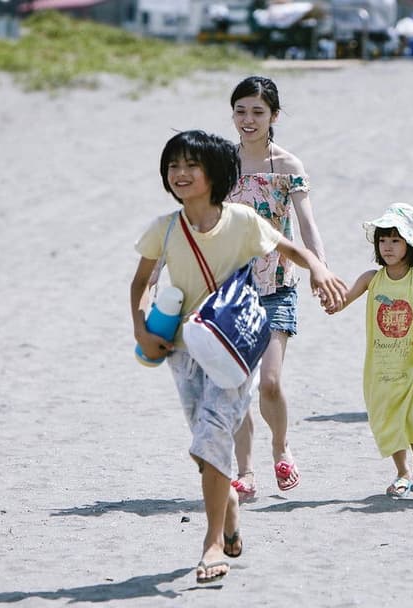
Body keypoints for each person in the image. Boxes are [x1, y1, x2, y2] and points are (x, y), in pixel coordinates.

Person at [129, 130, 345, 584]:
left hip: (230, 352)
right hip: (182, 352)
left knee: (211, 441)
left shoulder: (243, 221)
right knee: (206, 450)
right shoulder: (165, 227)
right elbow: (142, 281)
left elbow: (291, 249)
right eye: (174, 166)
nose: (181, 174)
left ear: (215, 173)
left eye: (191, 165)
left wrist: (320, 268)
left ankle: (210, 545)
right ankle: (227, 508)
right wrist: (142, 327)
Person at [226, 76, 330, 501]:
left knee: (269, 382)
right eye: (241, 111)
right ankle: (246, 471)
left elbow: (307, 225)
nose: (248, 120)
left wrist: (320, 271)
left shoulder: (287, 166)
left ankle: (280, 445)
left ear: (274, 116)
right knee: (234, 385)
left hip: (278, 286)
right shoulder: (221, 163)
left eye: (258, 112)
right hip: (230, 291)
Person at [328, 203, 413, 498]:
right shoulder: (371, 279)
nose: (388, 247)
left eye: (395, 240)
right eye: (383, 240)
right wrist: (330, 299)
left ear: (410, 244)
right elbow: (342, 302)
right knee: (388, 418)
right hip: (381, 367)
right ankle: (402, 471)